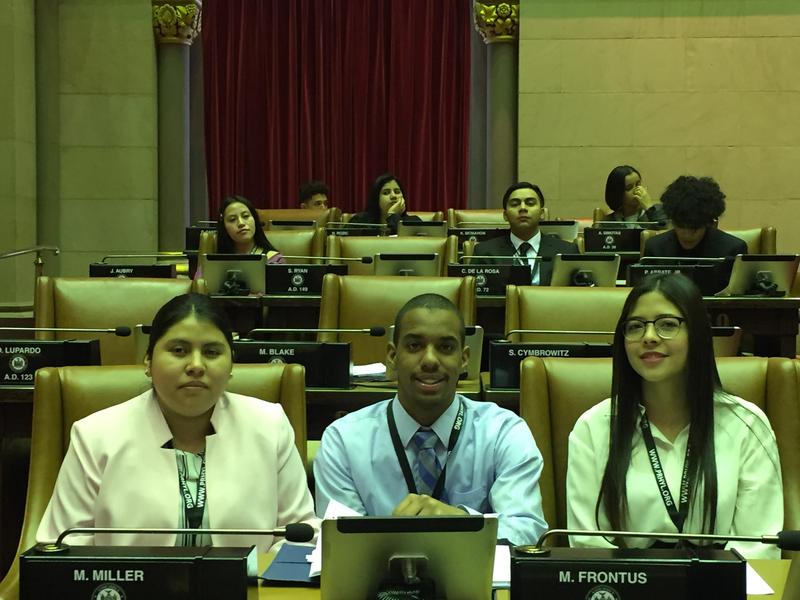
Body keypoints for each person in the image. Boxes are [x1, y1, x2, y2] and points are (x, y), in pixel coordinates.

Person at [37, 293, 317, 550]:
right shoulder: (95, 435)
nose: (196, 365)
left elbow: (301, 535)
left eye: (211, 352)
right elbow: (62, 546)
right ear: (148, 363)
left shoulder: (269, 426)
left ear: (231, 366)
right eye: (179, 350)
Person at [566, 273, 783, 559]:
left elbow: (758, 547)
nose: (649, 337)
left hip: (722, 586)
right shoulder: (593, 428)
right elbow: (589, 546)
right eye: (635, 327)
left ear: (697, 335)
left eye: (667, 325)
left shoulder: (747, 424)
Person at [313, 293, 548, 545]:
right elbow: (340, 544)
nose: (430, 361)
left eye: (446, 347)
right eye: (414, 346)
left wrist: (460, 521)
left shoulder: (503, 432)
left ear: (464, 358)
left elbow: (527, 530)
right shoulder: (343, 440)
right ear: (392, 356)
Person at [473, 181, 579, 285]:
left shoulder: (567, 252)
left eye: (530, 203)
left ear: (542, 213)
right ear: (505, 215)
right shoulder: (484, 253)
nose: (523, 208)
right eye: (515, 204)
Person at [643, 175, 747, 258]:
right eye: (681, 226)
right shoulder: (655, 248)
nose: (687, 235)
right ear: (673, 221)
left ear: (708, 223)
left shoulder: (732, 250)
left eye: (694, 228)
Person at [216, 195, 284, 263]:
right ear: (224, 227)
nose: (241, 223)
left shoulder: (274, 260)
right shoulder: (215, 263)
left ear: (255, 220)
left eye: (245, 216)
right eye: (232, 219)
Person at [348, 172, 422, 234]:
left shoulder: (413, 222)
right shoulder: (360, 222)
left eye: (397, 192)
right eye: (386, 193)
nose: (393, 196)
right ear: (376, 198)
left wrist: (392, 215)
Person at [603, 165, 668, 226]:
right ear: (617, 193)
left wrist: (649, 207)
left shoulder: (657, 213)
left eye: (638, 184)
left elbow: (663, 230)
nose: (636, 190)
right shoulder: (607, 222)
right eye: (629, 188)